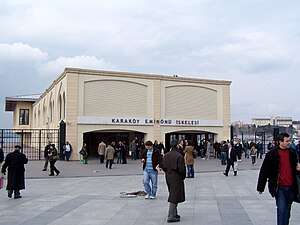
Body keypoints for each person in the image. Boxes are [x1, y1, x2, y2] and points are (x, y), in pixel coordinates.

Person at [257, 133, 300, 225]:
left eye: (290, 140)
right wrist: (261, 187)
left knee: (287, 211)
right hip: (279, 187)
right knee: (282, 209)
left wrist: (298, 168)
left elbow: (296, 169)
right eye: (287, 141)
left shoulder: (292, 152)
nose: (289, 143)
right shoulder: (272, 154)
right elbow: (264, 171)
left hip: (291, 187)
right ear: (280, 142)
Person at [161, 139, 186, 223]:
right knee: (174, 195)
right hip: (176, 175)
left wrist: (167, 172)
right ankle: (171, 216)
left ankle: (174, 213)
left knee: (172, 192)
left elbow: (163, 166)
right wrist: (183, 176)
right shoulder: (179, 155)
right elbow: (182, 169)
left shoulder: (166, 155)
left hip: (168, 175)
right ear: (177, 145)